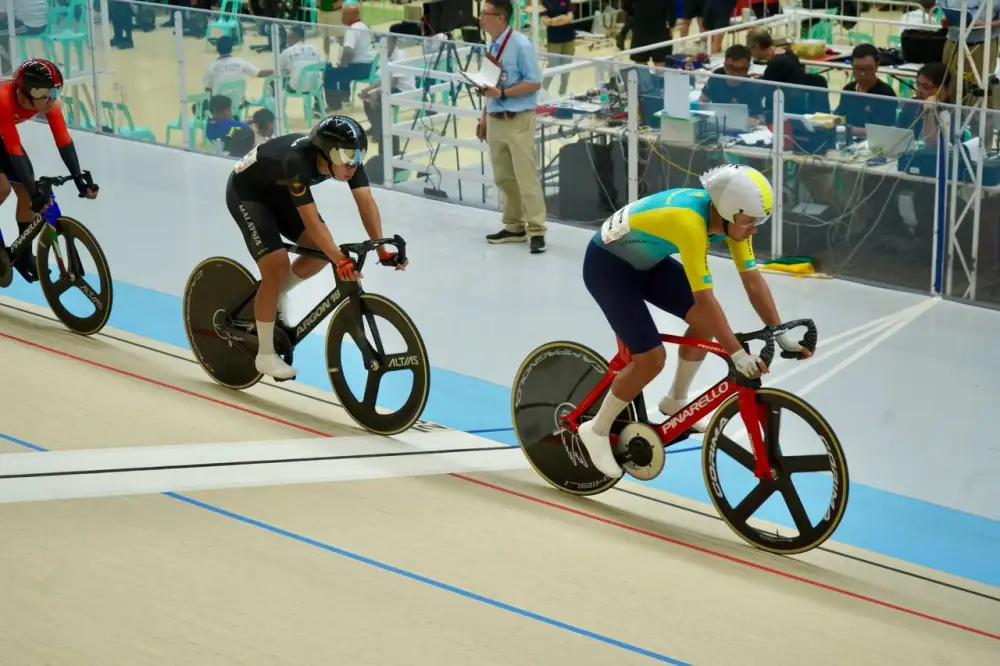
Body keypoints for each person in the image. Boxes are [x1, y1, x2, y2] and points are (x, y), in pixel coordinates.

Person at [576, 164, 811, 480]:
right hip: (607, 268)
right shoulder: (689, 223)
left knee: (706, 323)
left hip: (647, 263)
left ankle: (675, 399)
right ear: (728, 212)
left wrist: (780, 334)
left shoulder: (733, 220)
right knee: (651, 359)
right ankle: (596, 429)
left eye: (759, 222)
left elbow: (753, 281)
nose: (754, 230)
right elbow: (705, 299)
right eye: (750, 222)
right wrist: (737, 355)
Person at [225, 115, 407, 381]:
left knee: (320, 255)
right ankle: (265, 355)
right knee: (277, 267)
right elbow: (311, 220)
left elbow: (366, 203)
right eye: (347, 155)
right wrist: (340, 259)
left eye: (359, 154)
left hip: (280, 192)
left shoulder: (350, 164)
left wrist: (382, 250)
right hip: (248, 194)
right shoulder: (297, 161)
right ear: (325, 152)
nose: (353, 163)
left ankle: (274, 294)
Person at [0, 59, 98, 282]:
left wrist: (79, 179)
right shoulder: (4, 100)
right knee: (3, 189)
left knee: (27, 195)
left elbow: (63, 139)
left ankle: (23, 255)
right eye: (45, 93)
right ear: (26, 93)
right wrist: (34, 192)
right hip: (3, 131)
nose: (51, 98)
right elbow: (14, 149)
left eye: (55, 91)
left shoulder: (49, 102)